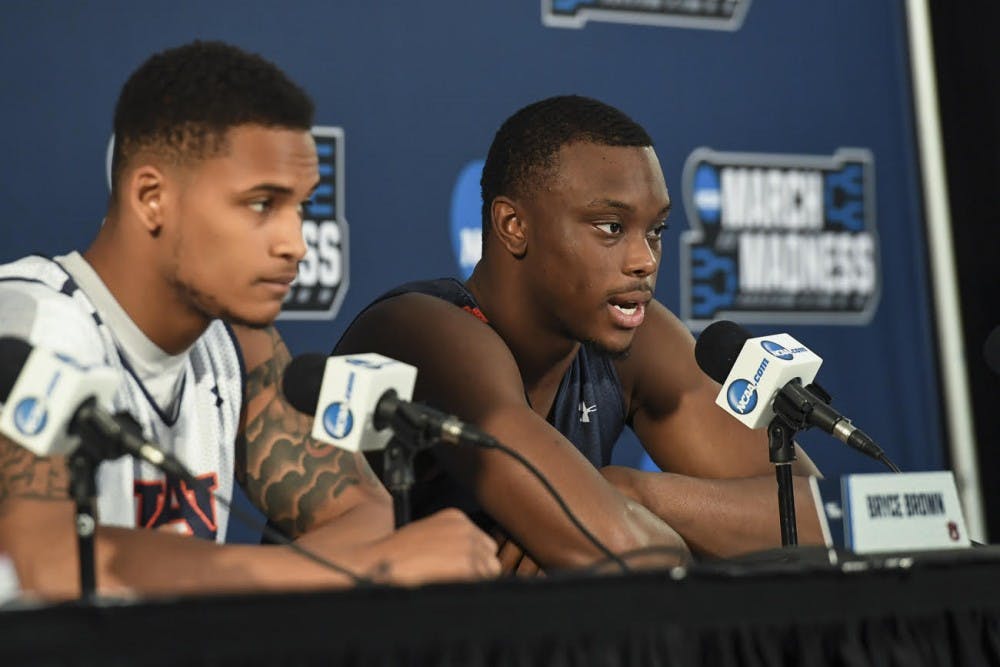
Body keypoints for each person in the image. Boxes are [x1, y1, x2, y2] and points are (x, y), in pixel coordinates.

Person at [0, 40, 499, 601]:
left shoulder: (237, 343)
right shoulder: (33, 318)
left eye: (302, 207)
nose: (296, 245)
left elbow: (361, 510)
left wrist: (361, 561)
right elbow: (48, 562)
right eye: (262, 203)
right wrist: (365, 570)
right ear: (151, 198)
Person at [333, 95, 824, 573]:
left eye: (656, 231)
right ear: (513, 225)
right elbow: (625, 553)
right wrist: (634, 523)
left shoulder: (633, 333)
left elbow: (819, 522)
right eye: (611, 227)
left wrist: (632, 493)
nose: (645, 261)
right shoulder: (425, 332)